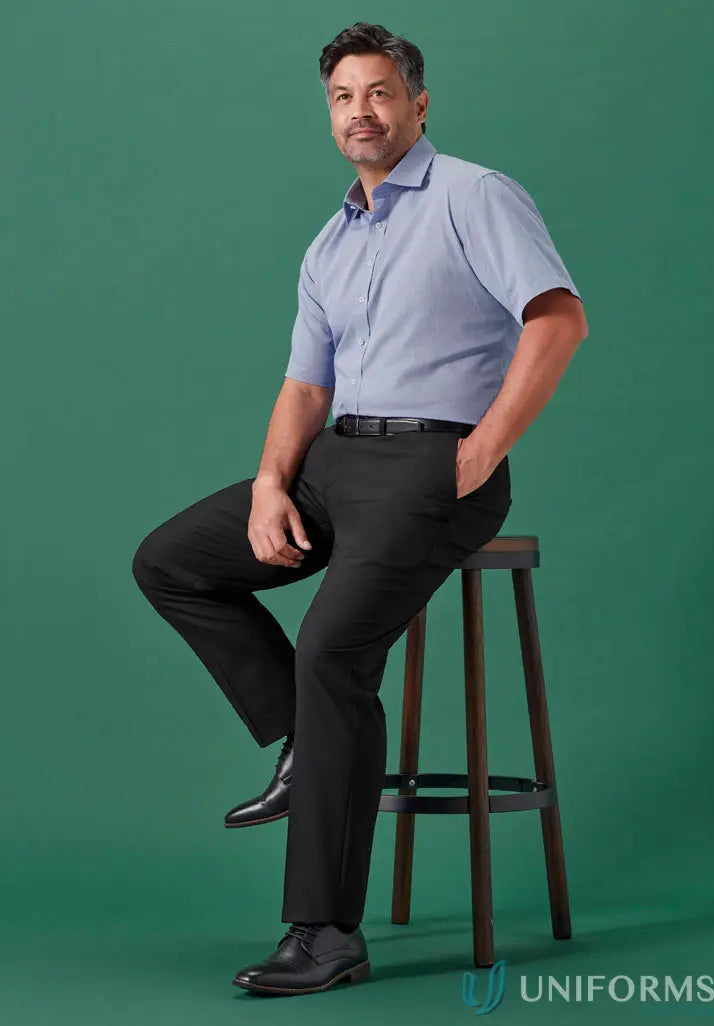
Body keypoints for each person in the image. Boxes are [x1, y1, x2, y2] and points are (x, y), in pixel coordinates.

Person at [132, 20, 588, 997]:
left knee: (334, 653)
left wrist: (481, 448)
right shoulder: (329, 243)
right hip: (337, 461)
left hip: (435, 464)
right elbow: (304, 387)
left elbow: (556, 318)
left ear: (417, 104)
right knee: (171, 560)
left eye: (379, 93)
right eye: (342, 97)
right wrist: (267, 484)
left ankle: (325, 934)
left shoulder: (473, 195)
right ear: (328, 112)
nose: (359, 113)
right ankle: (302, 740)